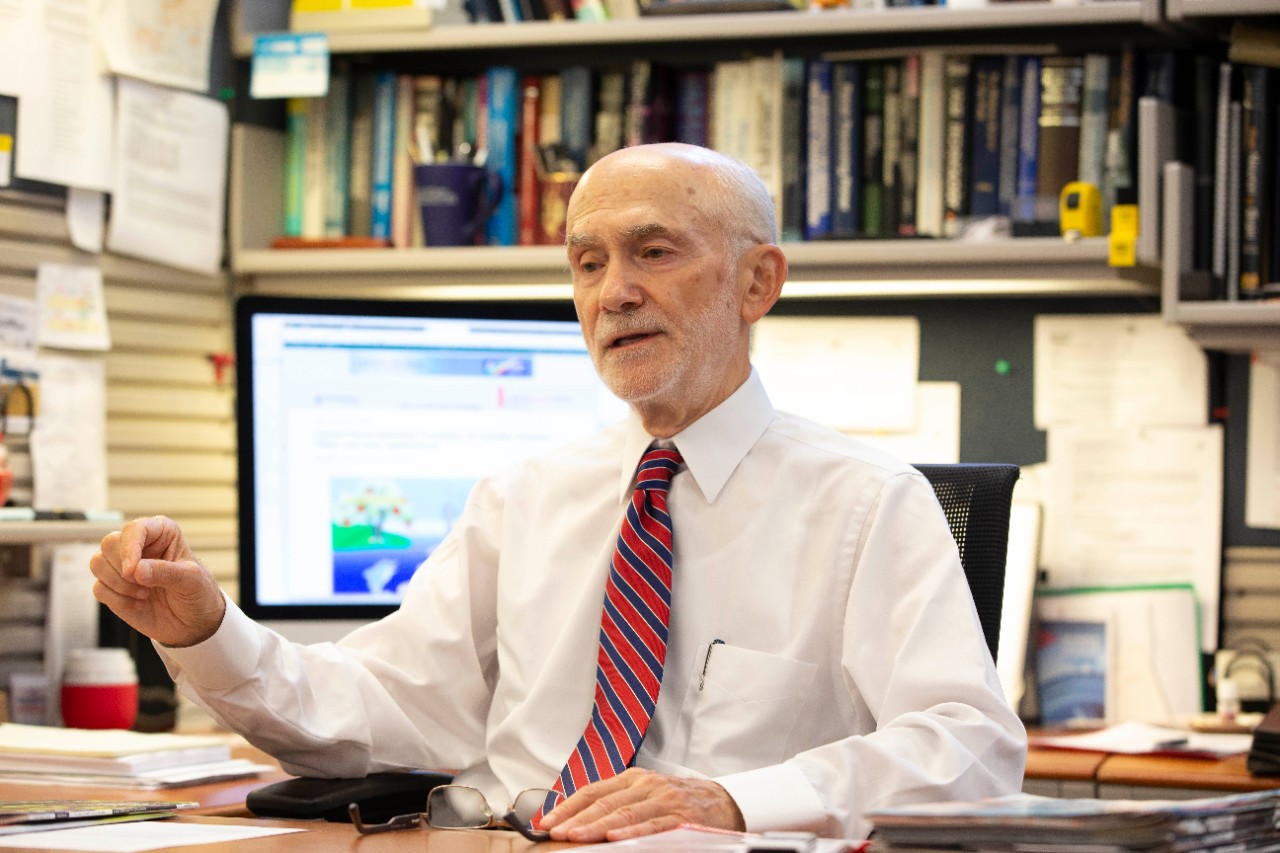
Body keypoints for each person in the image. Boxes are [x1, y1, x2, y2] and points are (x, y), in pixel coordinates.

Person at [90, 142, 1026, 843]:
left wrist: (734, 797)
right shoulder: (523, 498)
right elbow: (373, 712)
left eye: (653, 251)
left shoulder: (866, 504)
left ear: (757, 281)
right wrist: (205, 629)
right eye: (587, 262)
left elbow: (971, 747)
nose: (612, 292)